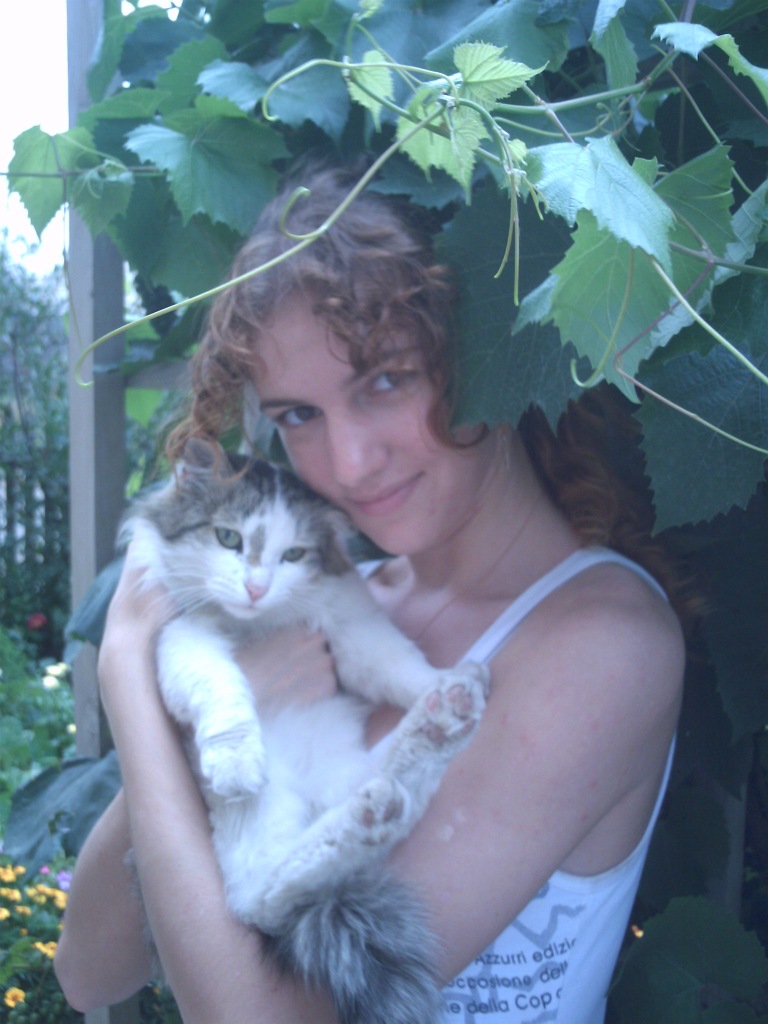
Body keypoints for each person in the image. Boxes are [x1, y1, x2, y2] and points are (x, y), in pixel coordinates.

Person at [54, 165, 688, 1023]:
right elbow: (89, 971)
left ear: (481, 351)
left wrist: (129, 672)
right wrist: (207, 716)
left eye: (386, 380)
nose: (347, 464)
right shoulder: (324, 611)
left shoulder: (600, 646)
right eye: (298, 415)